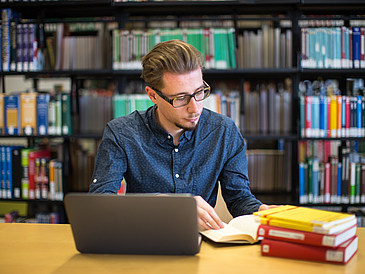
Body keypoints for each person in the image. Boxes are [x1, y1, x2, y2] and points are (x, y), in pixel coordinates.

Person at [89, 39, 276, 230]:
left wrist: (263, 211)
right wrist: (169, 204)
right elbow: (100, 204)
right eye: (181, 98)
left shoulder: (224, 131)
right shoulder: (121, 133)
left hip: (202, 244)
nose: (194, 108)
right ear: (153, 95)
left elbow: (239, 198)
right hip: (142, 241)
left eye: (199, 92)